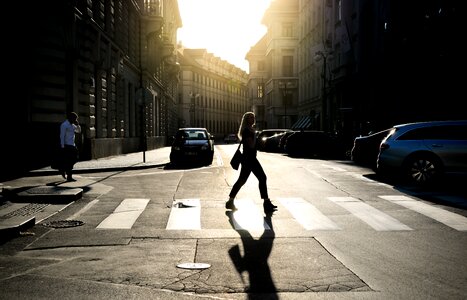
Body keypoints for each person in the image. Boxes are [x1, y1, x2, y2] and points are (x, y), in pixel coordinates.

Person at [226, 112, 277, 212]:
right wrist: (255, 135)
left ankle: (230, 201)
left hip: (250, 158)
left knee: (243, 180)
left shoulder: (250, 130)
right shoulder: (246, 131)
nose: (252, 119)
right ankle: (266, 203)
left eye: (253, 117)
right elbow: (252, 145)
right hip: (249, 159)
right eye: (250, 117)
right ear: (246, 120)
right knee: (261, 177)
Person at [59, 112, 81, 181]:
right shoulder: (64, 125)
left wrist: (78, 125)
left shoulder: (72, 125)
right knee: (69, 161)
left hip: (72, 145)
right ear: (70, 118)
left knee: (75, 159)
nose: (75, 120)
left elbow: (79, 131)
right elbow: (62, 136)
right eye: (75, 119)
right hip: (67, 146)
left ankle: (63, 168)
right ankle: (69, 176)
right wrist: (62, 146)